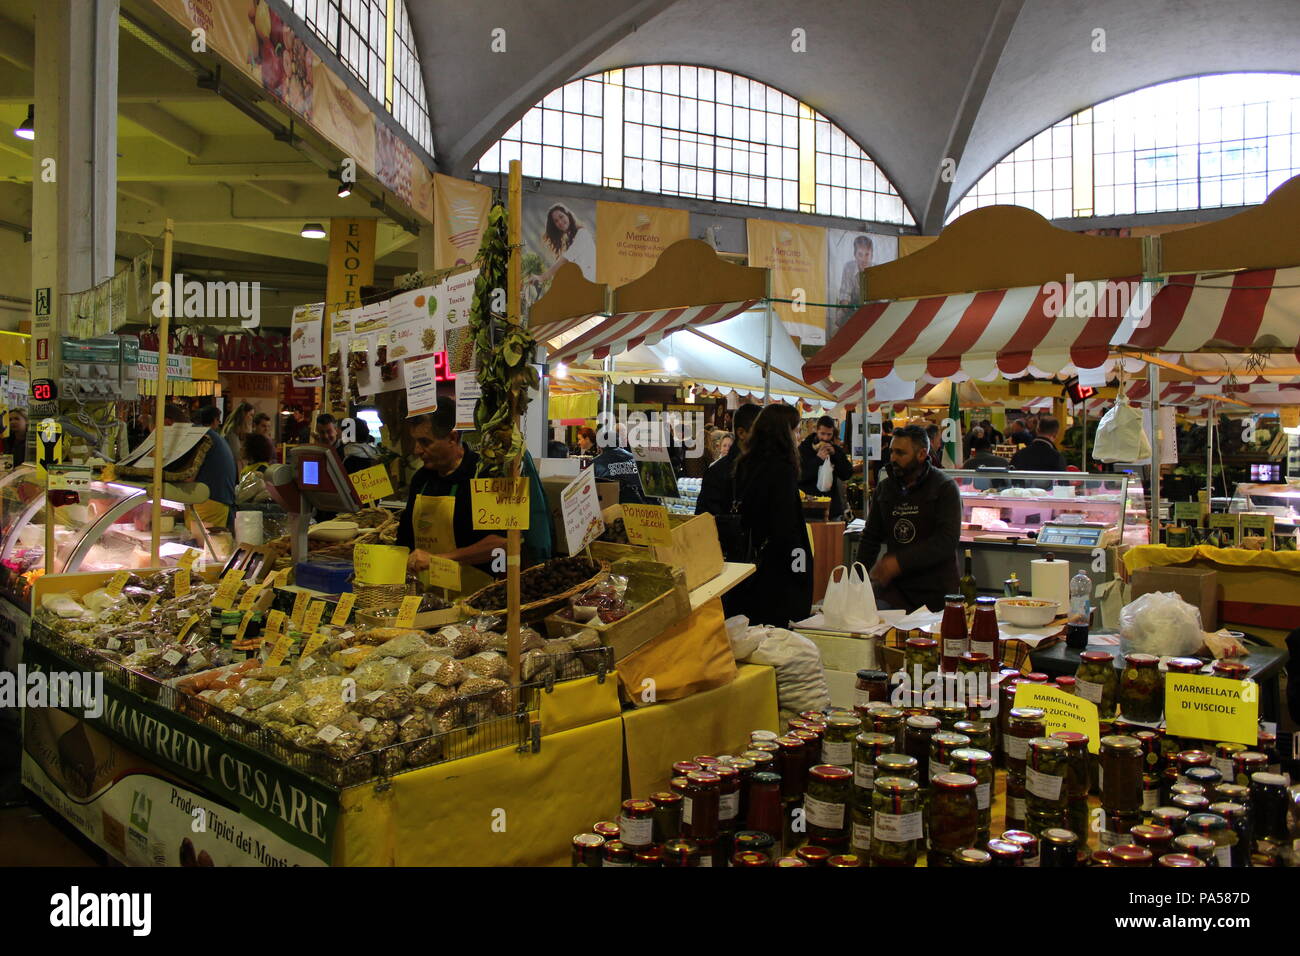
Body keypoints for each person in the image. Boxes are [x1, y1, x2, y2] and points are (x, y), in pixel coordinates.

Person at [398, 404, 507, 592]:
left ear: (452, 438)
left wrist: (439, 560)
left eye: (425, 442)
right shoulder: (421, 479)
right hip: (427, 594)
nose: (417, 450)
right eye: (415, 441)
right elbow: (405, 539)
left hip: (475, 594)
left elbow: (501, 543)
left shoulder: (484, 476)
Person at [856, 424, 961, 612]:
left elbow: (946, 541)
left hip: (936, 592)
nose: (893, 458)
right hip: (896, 591)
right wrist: (856, 579)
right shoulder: (885, 488)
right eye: (892, 452)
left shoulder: (944, 487)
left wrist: (899, 562)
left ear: (921, 454)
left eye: (900, 453)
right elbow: (870, 538)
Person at [729, 404, 813, 626]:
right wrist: (800, 569)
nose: (798, 436)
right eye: (796, 430)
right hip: (778, 567)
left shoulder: (745, 463)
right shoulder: (782, 469)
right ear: (784, 433)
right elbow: (786, 527)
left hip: (750, 564)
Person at [696, 403, 761, 517]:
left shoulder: (765, 468)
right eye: (761, 432)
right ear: (741, 433)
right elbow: (704, 519)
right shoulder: (718, 472)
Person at [798, 415, 853, 518]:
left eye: (829, 434)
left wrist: (835, 455)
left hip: (831, 508)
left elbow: (847, 474)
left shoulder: (835, 449)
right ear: (816, 430)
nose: (825, 438)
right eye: (822, 433)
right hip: (809, 507)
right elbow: (800, 476)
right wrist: (818, 460)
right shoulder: (804, 449)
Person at [192, 405, 237, 529]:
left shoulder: (201, 436)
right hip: (217, 499)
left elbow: (189, 474)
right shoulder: (213, 437)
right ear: (215, 420)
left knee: (206, 539)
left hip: (209, 500)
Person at [534, 204, 596, 286]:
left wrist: (542, 277)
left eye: (561, 216)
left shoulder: (582, 234)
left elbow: (564, 260)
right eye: (556, 221)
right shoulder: (571, 239)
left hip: (589, 286)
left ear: (568, 215)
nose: (560, 222)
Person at [591, 426, 647, 504]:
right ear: (619, 442)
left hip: (609, 504)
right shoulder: (636, 459)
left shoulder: (595, 462)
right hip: (637, 505)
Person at [223, 402, 254, 473]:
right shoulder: (232, 430)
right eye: (251, 415)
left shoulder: (240, 430)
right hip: (232, 468)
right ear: (244, 415)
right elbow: (237, 454)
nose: (252, 418)